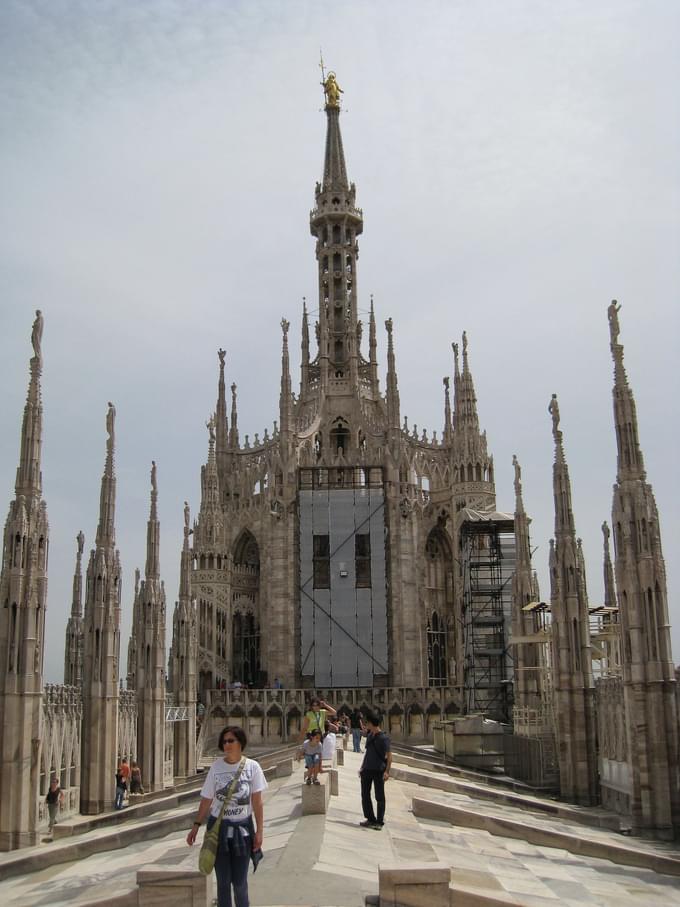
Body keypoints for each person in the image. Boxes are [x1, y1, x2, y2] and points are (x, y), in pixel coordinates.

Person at [187, 725, 266, 907]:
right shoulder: (216, 767)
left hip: (243, 831)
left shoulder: (252, 767)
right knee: (223, 883)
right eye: (224, 741)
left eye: (231, 741)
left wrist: (260, 831)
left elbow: (257, 802)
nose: (227, 745)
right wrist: (196, 825)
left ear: (240, 743)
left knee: (239, 883)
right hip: (218, 831)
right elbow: (207, 799)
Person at [358, 711, 392, 830]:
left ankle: (379, 821)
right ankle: (370, 818)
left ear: (372, 723)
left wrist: (387, 771)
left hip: (378, 770)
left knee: (379, 796)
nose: (366, 725)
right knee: (365, 795)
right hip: (367, 769)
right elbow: (367, 753)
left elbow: (389, 756)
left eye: (367, 723)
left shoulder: (384, 738)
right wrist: (362, 767)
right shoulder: (370, 735)